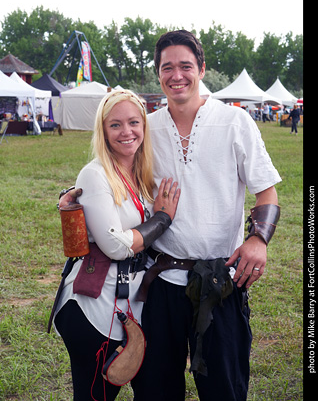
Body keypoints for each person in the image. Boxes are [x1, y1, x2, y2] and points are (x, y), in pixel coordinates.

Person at [60, 30, 281, 401]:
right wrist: (74, 199)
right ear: (158, 73)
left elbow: (267, 189)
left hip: (219, 279)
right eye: (167, 68)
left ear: (202, 68)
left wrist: (258, 239)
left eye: (185, 66)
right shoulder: (147, 125)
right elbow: (114, 166)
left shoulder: (235, 122)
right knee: (157, 391)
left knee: (224, 388)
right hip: (159, 283)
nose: (176, 75)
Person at [53, 89, 180, 401]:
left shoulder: (142, 173)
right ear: (103, 130)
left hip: (133, 304)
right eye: (116, 125)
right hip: (94, 308)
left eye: (134, 122)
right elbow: (114, 245)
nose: (127, 132)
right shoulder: (94, 174)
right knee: (95, 396)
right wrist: (162, 219)